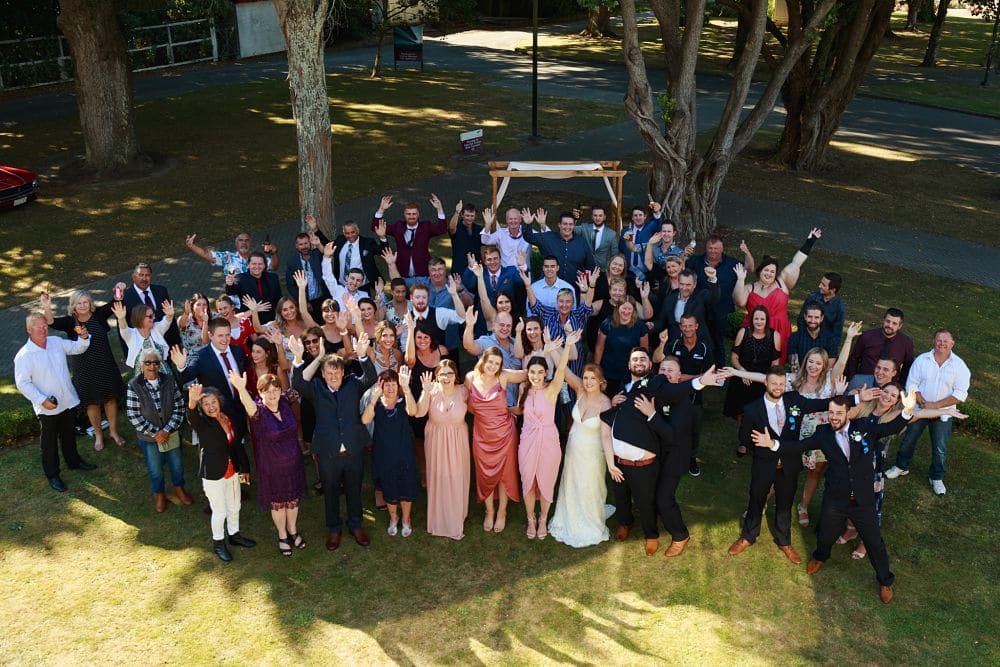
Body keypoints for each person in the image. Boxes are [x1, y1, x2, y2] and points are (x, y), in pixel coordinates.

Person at [750, 392, 918, 604]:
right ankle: (820, 558)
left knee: (874, 542)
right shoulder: (823, 433)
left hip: (863, 500)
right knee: (826, 534)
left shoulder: (864, 426)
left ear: (848, 412)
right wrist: (773, 444)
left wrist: (907, 411)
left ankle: (885, 580)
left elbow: (889, 428)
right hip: (836, 499)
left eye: (839, 412)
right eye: (831, 413)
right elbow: (800, 446)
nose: (834, 417)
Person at [727, 367, 866, 565]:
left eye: (781, 384)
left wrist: (857, 399)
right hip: (764, 465)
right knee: (756, 500)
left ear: (786, 384)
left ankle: (784, 541)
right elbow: (744, 438)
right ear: (766, 383)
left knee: (785, 503)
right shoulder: (752, 409)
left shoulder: (795, 400)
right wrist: (762, 448)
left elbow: (822, 404)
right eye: (774, 383)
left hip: (790, 466)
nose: (778, 387)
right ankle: (748, 536)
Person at [728, 323, 861, 526]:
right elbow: (764, 378)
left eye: (818, 363)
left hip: (818, 437)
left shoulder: (828, 383)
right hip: (792, 435)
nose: (814, 366)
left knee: (814, 472)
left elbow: (842, 364)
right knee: (778, 470)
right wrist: (737, 373)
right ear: (806, 362)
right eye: (811, 362)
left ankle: (803, 507)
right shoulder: (791, 381)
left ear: (824, 366)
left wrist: (849, 338)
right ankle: (761, 503)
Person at [600, 348, 722, 555]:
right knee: (629, 494)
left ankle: (678, 535)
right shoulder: (635, 387)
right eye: (663, 369)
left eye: (671, 370)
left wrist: (700, 382)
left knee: (662, 499)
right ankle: (626, 522)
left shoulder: (679, 400)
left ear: (679, 375)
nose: (666, 373)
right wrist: (614, 404)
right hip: (651, 454)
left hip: (672, 457)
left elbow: (672, 434)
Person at [846, 383, 967, 558]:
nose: (887, 396)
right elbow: (844, 412)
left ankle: (866, 542)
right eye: (886, 391)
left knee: (869, 508)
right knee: (850, 499)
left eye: (893, 395)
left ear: (896, 401)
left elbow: (919, 413)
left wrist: (944, 412)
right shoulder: (864, 407)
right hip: (853, 463)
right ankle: (850, 529)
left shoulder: (894, 416)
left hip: (872, 468)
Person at [291, 332, 377, 551]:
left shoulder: (352, 386)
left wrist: (363, 355)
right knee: (330, 490)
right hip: (328, 452)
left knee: (354, 489)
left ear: (342, 372)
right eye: (329, 372)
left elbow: (371, 377)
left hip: (353, 449)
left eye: (336, 371)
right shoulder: (316, 389)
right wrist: (299, 358)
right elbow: (298, 383)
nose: (333, 376)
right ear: (323, 373)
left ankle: (356, 525)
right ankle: (334, 529)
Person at [15, 312, 96, 492]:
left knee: (68, 435)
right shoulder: (24, 356)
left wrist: (83, 337)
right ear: (29, 330)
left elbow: (78, 348)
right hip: (47, 407)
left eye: (45, 325)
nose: (43, 329)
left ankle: (74, 462)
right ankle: (53, 475)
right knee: (49, 443)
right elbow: (22, 383)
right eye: (38, 326)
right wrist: (42, 400)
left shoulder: (56, 342)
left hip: (67, 400)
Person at [885, 329, 971, 495]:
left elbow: (960, 394)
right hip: (920, 409)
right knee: (909, 439)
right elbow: (912, 384)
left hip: (944, 413)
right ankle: (901, 466)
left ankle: (936, 477)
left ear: (952, 344)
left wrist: (936, 405)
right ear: (934, 341)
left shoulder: (960, 366)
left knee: (940, 447)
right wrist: (922, 401)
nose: (942, 343)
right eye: (939, 340)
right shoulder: (922, 360)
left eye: (946, 341)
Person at [512, 330, 580, 540]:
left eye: (540, 372)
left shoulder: (552, 390)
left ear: (545, 373)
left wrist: (567, 345)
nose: (535, 376)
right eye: (532, 372)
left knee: (546, 481)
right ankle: (530, 518)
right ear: (528, 372)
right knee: (528, 481)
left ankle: (543, 518)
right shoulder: (524, 388)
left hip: (549, 441)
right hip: (527, 441)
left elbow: (561, 370)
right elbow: (518, 410)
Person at [41, 290, 126, 451]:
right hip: (84, 369)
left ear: (90, 304)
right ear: (73, 306)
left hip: (105, 365)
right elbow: (51, 322)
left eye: (85, 302)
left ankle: (114, 432)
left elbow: (115, 303)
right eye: (78, 303)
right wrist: (46, 306)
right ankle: (99, 435)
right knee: (91, 403)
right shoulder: (69, 322)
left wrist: (118, 290)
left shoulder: (99, 315)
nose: (82, 306)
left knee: (110, 399)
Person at [233, 369, 305, 553]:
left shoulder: (285, 401)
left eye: (275, 390)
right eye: (267, 391)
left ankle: (293, 530)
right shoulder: (259, 412)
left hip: (294, 463)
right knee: (279, 503)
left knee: (293, 500)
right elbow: (248, 405)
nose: (272, 394)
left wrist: (301, 358)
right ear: (260, 393)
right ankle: (282, 535)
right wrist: (241, 389)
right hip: (272, 467)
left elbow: (300, 381)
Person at [465, 333, 528, 533]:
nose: (493, 366)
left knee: (504, 474)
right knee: (484, 473)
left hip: (505, 434)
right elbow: (469, 405)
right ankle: (489, 511)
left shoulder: (504, 376)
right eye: (490, 362)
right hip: (481, 434)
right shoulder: (470, 378)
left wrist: (545, 352)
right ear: (483, 360)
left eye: (497, 363)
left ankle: (502, 511)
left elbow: (530, 373)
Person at [187, 384, 255, 562]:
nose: (211, 407)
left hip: (232, 471)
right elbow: (192, 417)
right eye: (206, 404)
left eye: (213, 402)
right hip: (213, 474)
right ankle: (218, 543)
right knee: (220, 511)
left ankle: (234, 535)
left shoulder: (227, 418)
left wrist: (245, 468)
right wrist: (193, 401)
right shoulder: (203, 424)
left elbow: (237, 445)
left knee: (235, 506)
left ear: (219, 401)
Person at [733, 228, 821, 364]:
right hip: (755, 328)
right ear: (760, 271)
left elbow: (796, 263)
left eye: (772, 271)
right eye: (766, 270)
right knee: (752, 361)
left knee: (775, 365)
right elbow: (739, 302)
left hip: (779, 328)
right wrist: (740, 279)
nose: (768, 273)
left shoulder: (782, 282)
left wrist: (810, 241)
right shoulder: (749, 287)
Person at [549, 363, 612, 548]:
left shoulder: (605, 403)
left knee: (590, 486)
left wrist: (611, 463)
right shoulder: (579, 391)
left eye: (593, 378)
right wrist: (561, 345)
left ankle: (590, 521)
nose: (588, 381)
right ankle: (568, 516)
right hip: (572, 451)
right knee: (571, 483)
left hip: (592, 454)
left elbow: (607, 435)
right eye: (585, 378)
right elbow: (564, 369)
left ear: (601, 381)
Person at [126, 349, 191, 512]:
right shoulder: (134, 385)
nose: (152, 366)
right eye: (148, 363)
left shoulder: (169, 380)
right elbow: (134, 416)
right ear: (142, 365)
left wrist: (167, 430)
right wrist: (156, 433)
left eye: (156, 363)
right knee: (155, 469)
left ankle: (179, 489)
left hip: (171, 433)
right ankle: (159, 494)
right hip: (149, 438)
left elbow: (179, 406)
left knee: (177, 464)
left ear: (160, 365)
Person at [415, 360, 471, 540]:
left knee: (456, 477)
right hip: (436, 440)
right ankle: (439, 520)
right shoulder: (431, 391)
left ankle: (456, 518)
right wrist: (425, 390)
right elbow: (419, 413)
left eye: (450, 373)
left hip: (457, 440)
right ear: (437, 375)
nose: (446, 377)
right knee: (439, 477)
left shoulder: (463, 391)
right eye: (442, 374)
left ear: (456, 375)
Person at [362, 366, 419, 537]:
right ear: (380, 386)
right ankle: (393, 518)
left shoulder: (404, 402)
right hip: (384, 453)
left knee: (406, 485)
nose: (390, 388)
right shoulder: (377, 404)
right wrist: (372, 400)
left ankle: (406, 519)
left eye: (394, 384)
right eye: (386, 384)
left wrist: (407, 389)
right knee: (389, 485)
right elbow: (365, 420)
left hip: (404, 452)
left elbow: (413, 411)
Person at [654, 316, 714, 476]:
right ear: (680, 327)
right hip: (670, 395)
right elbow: (657, 360)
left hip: (695, 397)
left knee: (693, 430)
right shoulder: (673, 344)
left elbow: (709, 374)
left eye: (690, 325)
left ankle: (691, 458)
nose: (687, 329)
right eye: (684, 326)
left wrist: (685, 377)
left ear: (696, 326)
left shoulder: (704, 347)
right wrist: (662, 343)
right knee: (666, 425)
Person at [687, 235, 755, 374]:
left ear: (722, 248)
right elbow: (681, 270)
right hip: (699, 310)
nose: (713, 251)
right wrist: (684, 254)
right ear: (706, 248)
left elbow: (749, 268)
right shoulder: (696, 261)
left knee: (718, 342)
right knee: (698, 339)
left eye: (716, 248)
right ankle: (700, 368)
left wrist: (747, 252)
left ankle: (720, 370)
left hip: (721, 310)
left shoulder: (731, 263)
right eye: (710, 248)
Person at [723, 305, 780, 454]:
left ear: (767, 320)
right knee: (742, 412)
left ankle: (756, 439)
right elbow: (734, 357)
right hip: (742, 377)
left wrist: (769, 380)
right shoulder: (744, 333)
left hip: (763, 380)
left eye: (762, 319)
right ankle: (743, 441)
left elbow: (775, 363)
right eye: (756, 318)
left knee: (760, 413)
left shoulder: (774, 335)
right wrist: (742, 372)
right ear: (752, 319)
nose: (759, 322)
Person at [524, 270, 595, 377]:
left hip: (574, 366)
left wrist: (592, 286)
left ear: (572, 303)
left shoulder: (578, 315)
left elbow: (587, 304)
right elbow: (535, 305)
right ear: (557, 302)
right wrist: (528, 286)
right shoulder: (549, 313)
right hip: (553, 365)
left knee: (572, 392)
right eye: (561, 301)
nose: (564, 305)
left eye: (568, 302)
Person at [373, 193, 448, 277]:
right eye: (408, 214)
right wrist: (381, 209)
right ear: (404, 214)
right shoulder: (398, 227)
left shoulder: (425, 226)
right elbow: (376, 227)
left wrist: (439, 209)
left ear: (418, 214)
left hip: (423, 272)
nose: (411, 216)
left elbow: (442, 229)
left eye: (414, 214)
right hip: (402, 271)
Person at [522, 210, 597, 287]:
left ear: (574, 226)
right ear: (559, 225)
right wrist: (527, 224)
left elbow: (591, 266)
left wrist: (586, 276)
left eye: (571, 224)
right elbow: (529, 237)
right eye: (565, 224)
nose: (568, 227)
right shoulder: (548, 238)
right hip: (549, 286)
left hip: (573, 288)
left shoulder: (581, 242)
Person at [463, 309, 522, 406]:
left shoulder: (517, 343)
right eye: (501, 325)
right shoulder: (486, 342)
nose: (505, 328)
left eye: (508, 326)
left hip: (515, 404)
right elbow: (469, 346)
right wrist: (469, 326)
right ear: (494, 325)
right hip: (493, 404)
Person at [118, 262, 181, 352]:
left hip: (165, 343)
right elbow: (123, 327)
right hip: (141, 348)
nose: (144, 278)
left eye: (147, 275)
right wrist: (128, 353)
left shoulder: (161, 291)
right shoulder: (125, 297)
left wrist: (176, 343)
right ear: (133, 276)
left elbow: (170, 317)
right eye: (140, 275)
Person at [846, 308, 915, 389]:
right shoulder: (867, 336)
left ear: (900, 326)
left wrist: (899, 387)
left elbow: (907, 367)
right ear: (883, 320)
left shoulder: (906, 343)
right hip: (863, 384)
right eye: (888, 321)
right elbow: (854, 359)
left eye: (894, 323)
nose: (890, 325)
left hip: (889, 387)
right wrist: (852, 380)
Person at [595, 297, 649, 396]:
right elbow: (599, 348)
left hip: (631, 373)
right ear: (617, 307)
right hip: (609, 370)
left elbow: (644, 351)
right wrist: (596, 369)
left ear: (634, 310)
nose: (626, 311)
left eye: (629, 309)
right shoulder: (607, 323)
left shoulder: (640, 327)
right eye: (624, 308)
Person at [462, 245, 521, 336]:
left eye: (495, 258)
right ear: (484, 262)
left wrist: (523, 266)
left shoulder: (511, 271)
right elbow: (468, 284)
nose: (492, 262)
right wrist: (471, 268)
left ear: (500, 259)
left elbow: (522, 282)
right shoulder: (480, 272)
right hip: (483, 321)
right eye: (489, 260)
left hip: (507, 321)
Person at [651, 268, 719, 344]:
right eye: (682, 284)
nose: (684, 288)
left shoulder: (701, 296)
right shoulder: (670, 298)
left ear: (694, 284)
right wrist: (652, 325)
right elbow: (661, 321)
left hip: (698, 342)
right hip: (674, 342)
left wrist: (712, 279)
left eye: (688, 285)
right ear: (678, 283)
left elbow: (714, 298)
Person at [113, 299, 175, 378]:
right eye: (150, 316)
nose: (154, 318)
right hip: (143, 381)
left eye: (153, 315)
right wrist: (121, 318)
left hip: (165, 376)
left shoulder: (157, 329)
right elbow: (124, 328)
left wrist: (170, 315)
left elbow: (167, 321)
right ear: (140, 318)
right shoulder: (131, 335)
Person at [186, 230, 279, 275]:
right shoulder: (227, 257)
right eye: (241, 240)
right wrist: (192, 246)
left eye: (246, 240)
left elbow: (273, 267)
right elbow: (206, 255)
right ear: (236, 243)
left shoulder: (258, 258)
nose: (243, 243)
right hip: (235, 306)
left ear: (250, 243)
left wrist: (273, 254)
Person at [226, 251, 282, 325]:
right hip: (250, 321)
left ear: (265, 265)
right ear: (248, 265)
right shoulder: (240, 278)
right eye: (254, 264)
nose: (257, 267)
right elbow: (230, 291)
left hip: (272, 320)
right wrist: (229, 284)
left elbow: (279, 299)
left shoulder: (273, 278)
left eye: (260, 264)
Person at [327, 219, 385, 290]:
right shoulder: (340, 240)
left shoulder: (367, 243)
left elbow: (383, 251)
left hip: (361, 286)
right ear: (343, 233)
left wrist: (382, 237)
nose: (350, 235)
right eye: (347, 233)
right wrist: (316, 230)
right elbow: (328, 245)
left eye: (353, 232)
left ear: (358, 231)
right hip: (341, 285)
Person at [284, 226, 329, 316]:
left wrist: (318, 243)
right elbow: (290, 285)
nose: (304, 246)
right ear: (296, 246)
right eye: (301, 244)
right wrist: (303, 302)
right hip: (307, 303)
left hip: (324, 298)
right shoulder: (292, 262)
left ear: (310, 243)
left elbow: (328, 250)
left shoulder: (317, 254)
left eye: (306, 243)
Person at [796, 272, 845, 351]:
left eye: (823, 285)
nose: (819, 286)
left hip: (824, 345)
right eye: (821, 283)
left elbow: (836, 334)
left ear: (832, 290)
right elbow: (801, 319)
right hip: (806, 339)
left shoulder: (839, 308)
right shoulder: (812, 298)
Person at [619, 202, 663, 281]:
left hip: (646, 272)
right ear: (632, 218)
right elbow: (621, 249)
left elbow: (658, 222)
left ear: (645, 216)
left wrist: (657, 212)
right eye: (635, 215)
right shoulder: (625, 231)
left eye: (640, 215)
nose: (638, 218)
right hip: (629, 272)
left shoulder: (650, 227)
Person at [575, 205, 618, 272]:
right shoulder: (584, 228)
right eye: (595, 215)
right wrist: (575, 218)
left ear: (604, 217)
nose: (597, 218)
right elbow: (570, 229)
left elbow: (615, 254)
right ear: (592, 217)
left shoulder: (611, 234)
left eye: (600, 216)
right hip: (585, 269)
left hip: (603, 270)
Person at [448, 199, 482, 275]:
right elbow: (452, 228)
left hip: (475, 269)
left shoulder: (479, 229)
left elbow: (484, 246)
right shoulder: (457, 227)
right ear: (462, 215)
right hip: (459, 269)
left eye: (472, 216)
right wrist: (457, 212)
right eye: (467, 215)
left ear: (475, 216)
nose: (469, 218)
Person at [177, 293, 211, 358]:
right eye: (198, 305)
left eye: (204, 304)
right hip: (192, 358)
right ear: (192, 306)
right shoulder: (187, 319)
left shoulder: (214, 317)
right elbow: (181, 324)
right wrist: (187, 313)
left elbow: (205, 341)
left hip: (210, 356)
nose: (202, 307)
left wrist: (205, 322)